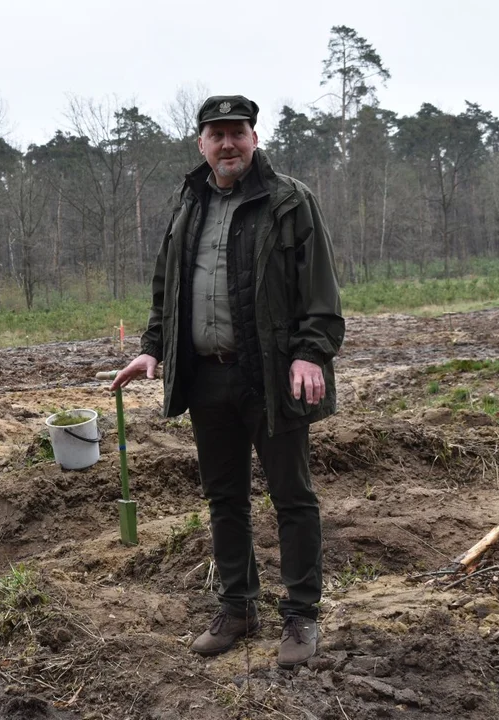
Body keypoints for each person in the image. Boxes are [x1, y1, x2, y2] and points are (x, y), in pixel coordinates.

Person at [111, 95, 344, 668]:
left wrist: (311, 354)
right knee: (224, 498)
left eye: (237, 133)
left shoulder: (289, 199)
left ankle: (301, 616)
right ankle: (238, 606)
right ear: (201, 144)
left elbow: (320, 287)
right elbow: (170, 283)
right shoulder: (189, 201)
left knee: (292, 496)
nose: (227, 144)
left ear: (254, 138)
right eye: (216, 135)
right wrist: (153, 348)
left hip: (270, 374)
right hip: (206, 378)